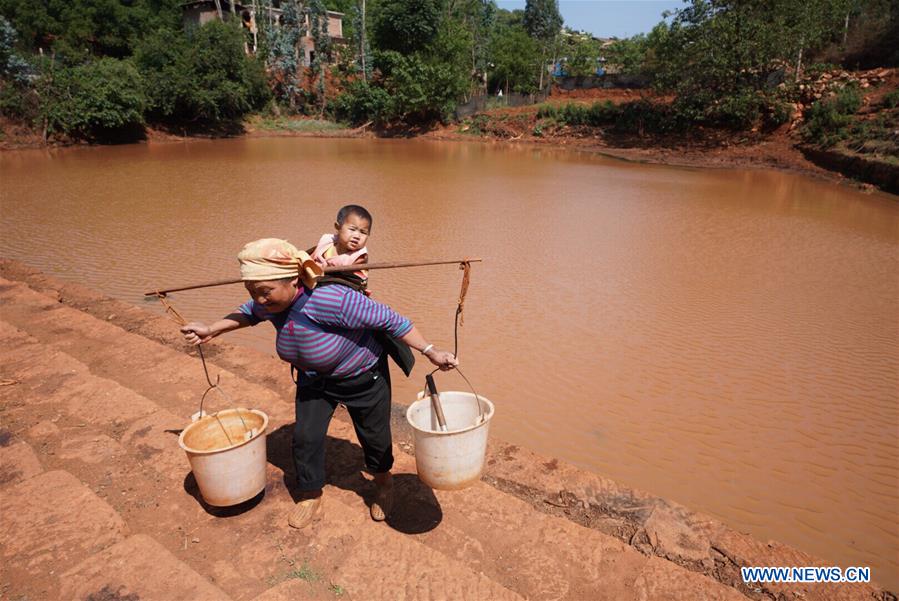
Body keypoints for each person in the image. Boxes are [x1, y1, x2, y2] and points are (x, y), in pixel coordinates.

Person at [180, 238, 458, 529]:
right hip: (314, 380)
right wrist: (211, 329)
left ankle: (384, 483)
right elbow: (249, 313)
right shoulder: (270, 302)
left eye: (264, 292)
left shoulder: (333, 300)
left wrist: (431, 352)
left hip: (363, 377)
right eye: (252, 291)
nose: (259, 299)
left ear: (293, 280)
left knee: (374, 438)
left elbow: (394, 322)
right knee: (305, 438)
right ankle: (310, 493)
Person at [310, 204, 371, 294]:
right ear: (338, 227)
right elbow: (310, 257)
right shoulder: (327, 242)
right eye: (352, 229)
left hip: (339, 292)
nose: (357, 236)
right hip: (313, 282)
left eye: (363, 232)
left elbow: (346, 279)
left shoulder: (359, 257)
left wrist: (322, 270)